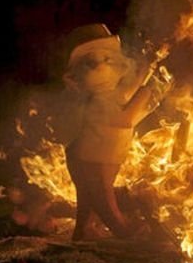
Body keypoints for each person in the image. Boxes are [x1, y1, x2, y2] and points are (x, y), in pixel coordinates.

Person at [63, 24, 171, 240]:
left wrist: (150, 64)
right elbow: (124, 120)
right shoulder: (97, 102)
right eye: (92, 63)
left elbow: (130, 90)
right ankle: (123, 230)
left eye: (107, 59)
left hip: (99, 156)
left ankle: (83, 229)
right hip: (92, 158)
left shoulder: (111, 94)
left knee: (89, 197)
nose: (102, 66)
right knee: (103, 200)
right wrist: (146, 94)